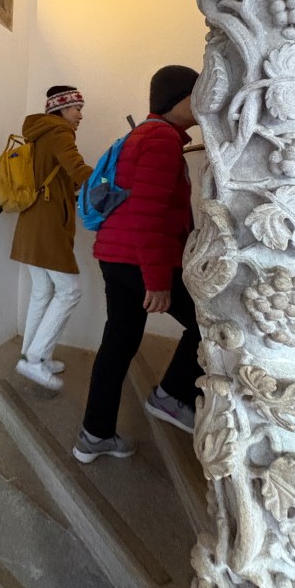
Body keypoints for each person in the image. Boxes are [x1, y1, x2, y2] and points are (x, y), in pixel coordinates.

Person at [73, 65, 201, 463]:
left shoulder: (145, 134)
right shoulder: (161, 139)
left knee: (119, 342)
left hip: (116, 255)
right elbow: (149, 214)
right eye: (197, 94)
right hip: (136, 258)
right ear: (177, 99)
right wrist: (157, 280)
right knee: (209, 323)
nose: (204, 101)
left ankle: (94, 435)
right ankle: (171, 396)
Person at [11, 86, 93, 392]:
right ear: (61, 108)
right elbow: (78, 170)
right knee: (70, 290)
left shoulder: (38, 133)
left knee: (43, 290)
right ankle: (34, 359)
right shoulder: (60, 132)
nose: (80, 116)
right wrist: (111, 180)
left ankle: (33, 354)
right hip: (47, 225)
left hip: (31, 220)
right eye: (77, 109)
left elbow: (62, 176)